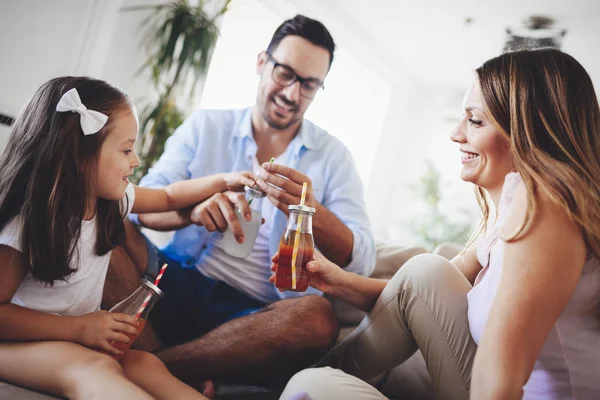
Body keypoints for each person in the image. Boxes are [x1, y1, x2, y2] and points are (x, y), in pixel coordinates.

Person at [280, 48, 600, 400]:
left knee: (310, 388)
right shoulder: (515, 215)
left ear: (530, 131)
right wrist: (337, 281)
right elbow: (414, 292)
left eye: (475, 121)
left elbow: (500, 378)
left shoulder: (543, 205)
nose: (455, 134)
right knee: (426, 271)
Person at [103, 14, 376, 385]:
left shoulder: (334, 158)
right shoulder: (207, 127)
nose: (292, 94)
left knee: (317, 317)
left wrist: (311, 212)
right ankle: (173, 370)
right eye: (285, 74)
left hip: (255, 316)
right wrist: (193, 213)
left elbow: (360, 260)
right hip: (175, 278)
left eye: (309, 85)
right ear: (262, 63)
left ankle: (152, 365)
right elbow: (142, 208)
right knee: (105, 217)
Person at [0, 76, 256, 399]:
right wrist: (79, 328)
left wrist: (224, 180)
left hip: (71, 340)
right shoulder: (27, 221)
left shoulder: (113, 200)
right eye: (126, 149)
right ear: (80, 156)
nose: (135, 160)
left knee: (146, 365)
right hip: (13, 347)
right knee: (94, 369)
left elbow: (167, 197)